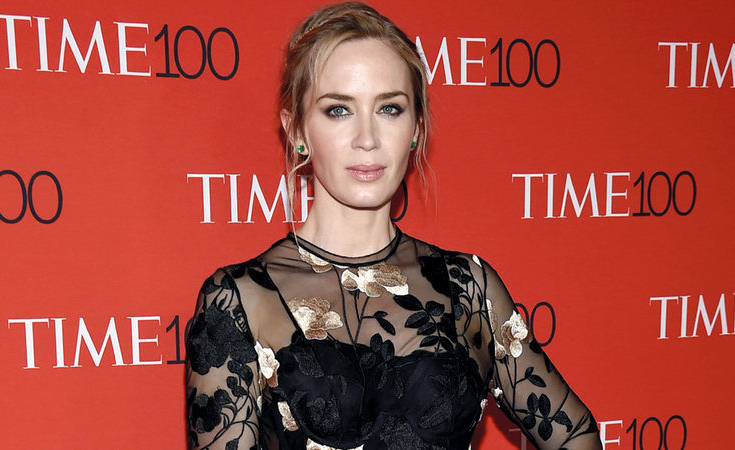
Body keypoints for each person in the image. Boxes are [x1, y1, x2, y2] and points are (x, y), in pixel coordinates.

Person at [185, 2, 602, 449]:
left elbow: (575, 434)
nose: (367, 139)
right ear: (297, 130)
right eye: (338, 110)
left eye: (389, 108)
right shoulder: (240, 300)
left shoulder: (466, 286)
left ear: (416, 127)